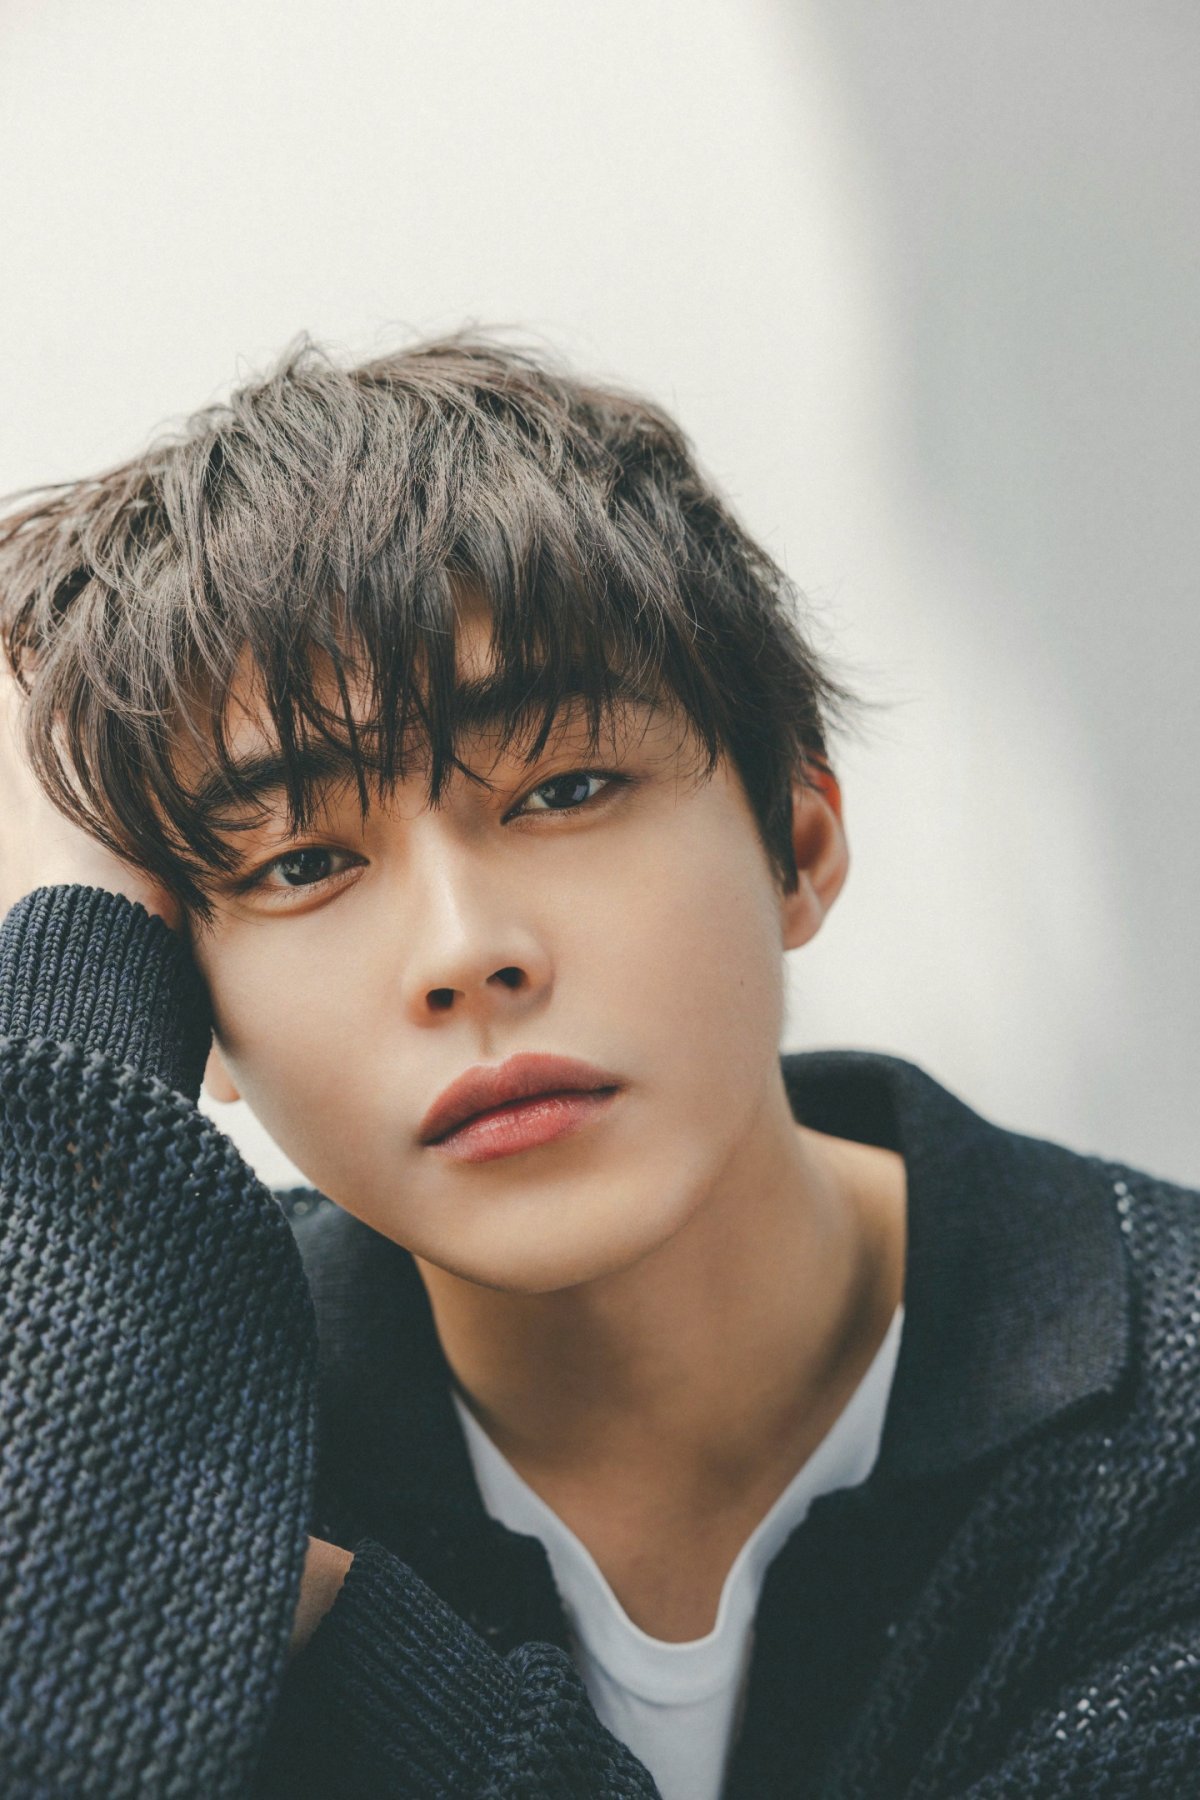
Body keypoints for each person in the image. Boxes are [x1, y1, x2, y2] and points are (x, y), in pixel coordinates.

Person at [0, 337, 1197, 1800]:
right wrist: (71, 968)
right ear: (194, 1002)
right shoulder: (149, 1405)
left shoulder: (1172, 1404)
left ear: (797, 844)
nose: (464, 952)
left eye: (565, 788)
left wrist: (305, 1632)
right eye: (304, 863)